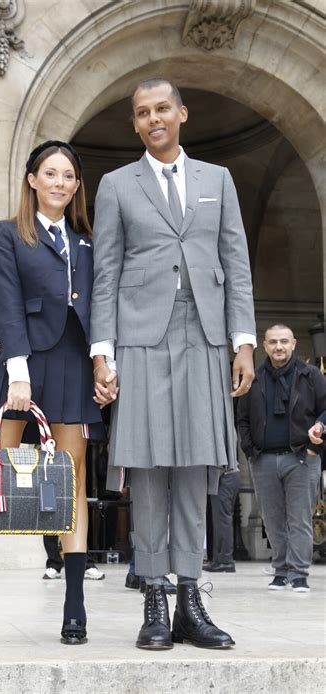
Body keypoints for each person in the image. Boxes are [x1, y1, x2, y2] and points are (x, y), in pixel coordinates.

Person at [90, 78, 256, 650]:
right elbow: (104, 274)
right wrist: (101, 355)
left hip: (207, 338)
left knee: (196, 469)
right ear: (134, 124)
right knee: (147, 466)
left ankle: (192, 595)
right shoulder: (115, 185)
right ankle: (154, 598)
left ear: (182, 113)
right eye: (142, 113)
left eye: (162, 108)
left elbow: (236, 262)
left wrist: (244, 341)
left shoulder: (219, 179)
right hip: (139, 340)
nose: (153, 118)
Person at [0, 140, 104, 648]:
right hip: (20, 364)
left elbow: (98, 309)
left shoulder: (86, 241)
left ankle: (74, 607)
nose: (59, 182)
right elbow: (6, 305)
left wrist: (104, 362)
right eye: (50, 173)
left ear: (77, 186)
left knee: (71, 486)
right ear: (32, 178)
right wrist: (17, 371)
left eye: (68, 175)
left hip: (73, 367)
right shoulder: (8, 234)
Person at [237, 325, 326, 592]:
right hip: (263, 459)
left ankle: (298, 574)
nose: (279, 346)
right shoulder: (254, 377)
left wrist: (318, 433)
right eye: (273, 342)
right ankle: (281, 570)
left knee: (299, 519)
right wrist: (251, 452)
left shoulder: (311, 376)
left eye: (284, 341)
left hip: (302, 457)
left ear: (294, 344)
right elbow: (242, 419)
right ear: (264, 346)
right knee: (272, 519)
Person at [204, 469, 240, 573]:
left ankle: (225, 560)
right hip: (227, 475)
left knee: (222, 520)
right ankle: (219, 559)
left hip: (225, 475)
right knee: (220, 520)